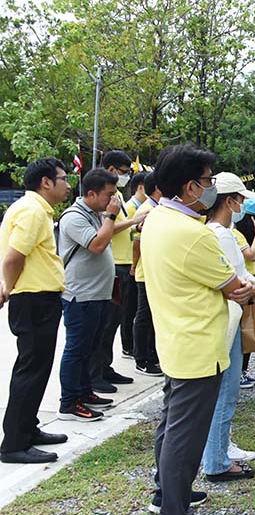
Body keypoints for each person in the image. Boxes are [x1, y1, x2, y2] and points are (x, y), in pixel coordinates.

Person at [140, 143, 255, 515]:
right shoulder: (194, 234)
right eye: (207, 182)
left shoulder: (156, 219)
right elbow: (237, 288)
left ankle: (166, 494)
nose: (211, 189)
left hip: (174, 340)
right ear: (190, 188)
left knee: (172, 426)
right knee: (185, 437)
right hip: (198, 345)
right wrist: (254, 284)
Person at [0, 158, 73, 464]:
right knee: (30, 370)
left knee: (36, 368)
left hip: (37, 298)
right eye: (63, 179)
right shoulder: (32, 211)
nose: (68, 185)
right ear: (46, 182)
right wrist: (9, 288)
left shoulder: (33, 209)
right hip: (33, 299)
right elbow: (13, 258)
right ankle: (14, 444)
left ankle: (27, 428)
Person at [201, 173, 255, 484]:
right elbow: (240, 282)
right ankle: (217, 460)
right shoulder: (223, 235)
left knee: (221, 390)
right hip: (229, 318)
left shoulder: (209, 232)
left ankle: (221, 448)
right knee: (226, 391)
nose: (241, 206)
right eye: (240, 200)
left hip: (221, 318)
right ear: (229, 201)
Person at [56, 168, 120, 423]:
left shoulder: (94, 213)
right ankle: (69, 403)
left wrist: (118, 219)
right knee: (76, 349)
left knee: (89, 348)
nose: (113, 200)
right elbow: (96, 245)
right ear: (91, 193)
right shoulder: (73, 217)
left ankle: (84, 392)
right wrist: (112, 216)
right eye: (109, 195)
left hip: (97, 294)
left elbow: (107, 232)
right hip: (80, 296)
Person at [89, 150, 146, 394]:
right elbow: (107, 228)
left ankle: (105, 366)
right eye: (123, 172)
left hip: (121, 262)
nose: (124, 177)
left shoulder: (116, 195)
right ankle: (95, 373)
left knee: (113, 320)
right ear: (111, 169)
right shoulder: (104, 197)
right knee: (104, 323)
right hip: (114, 264)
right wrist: (134, 221)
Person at [233, 197, 255, 392]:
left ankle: (244, 370)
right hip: (244, 284)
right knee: (244, 329)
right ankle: (238, 373)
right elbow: (252, 254)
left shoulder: (243, 236)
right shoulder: (237, 235)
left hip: (253, 279)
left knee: (251, 328)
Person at [131, 172, 162, 376]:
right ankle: (141, 358)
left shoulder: (157, 208)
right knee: (144, 316)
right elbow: (137, 242)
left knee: (152, 316)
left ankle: (151, 354)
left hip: (154, 270)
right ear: (157, 189)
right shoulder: (146, 210)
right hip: (145, 272)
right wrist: (134, 266)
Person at [118, 171, 148, 361]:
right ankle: (127, 345)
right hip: (128, 260)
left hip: (132, 261)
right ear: (140, 187)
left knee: (133, 307)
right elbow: (130, 235)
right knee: (128, 309)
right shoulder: (131, 208)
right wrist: (136, 226)